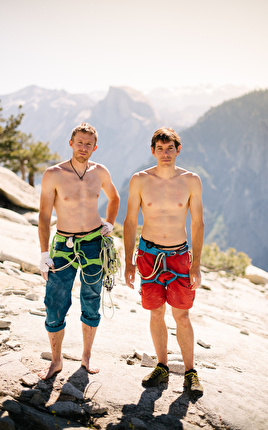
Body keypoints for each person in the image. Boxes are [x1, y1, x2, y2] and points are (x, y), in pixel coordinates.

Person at [124, 126, 204, 395]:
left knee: (182, 315)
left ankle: (191, 372)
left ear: (178, 150)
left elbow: (197, 223)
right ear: (153, 151)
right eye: (160, 148)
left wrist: (196, 265)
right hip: (148, 255)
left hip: (179, 256)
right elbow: (130, 221)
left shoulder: (191, 180)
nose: (166, 153)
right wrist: (128, 261)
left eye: (170, 148)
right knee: (156, 312)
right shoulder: (140, 180)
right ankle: (162, 366)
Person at [38, 122, 120, 380]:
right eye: (79, 142)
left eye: (88, 144)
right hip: (63, 245)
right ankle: (56, 360)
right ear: (71, 143)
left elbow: (115, 198)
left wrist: (110, 223)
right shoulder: (54, 174)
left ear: (95, 147)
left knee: (91, 300)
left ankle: (86, 357)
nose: (83, 147)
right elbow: (43, 216)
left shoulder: (100, 172)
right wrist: (43, 255)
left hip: (95, 242)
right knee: (54, 302)